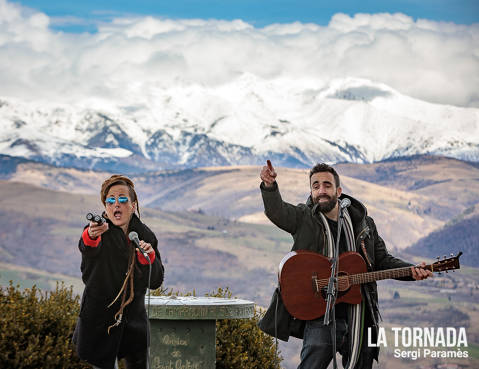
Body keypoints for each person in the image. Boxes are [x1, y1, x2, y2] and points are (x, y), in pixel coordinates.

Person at [258, 161, 432, 369]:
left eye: (327, 185)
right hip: (319, 313)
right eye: (315, 186)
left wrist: (411, 271)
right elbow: (277, 211)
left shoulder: (364, 224)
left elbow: (382, 260)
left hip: (359, 312)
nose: (321, 191)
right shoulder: (304, 218)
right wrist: (269, 187)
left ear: (338, 191)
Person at [73, 175, 165, 369]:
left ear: (133, 205)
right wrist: (90, 237)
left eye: (123, 199)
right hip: (99, 322)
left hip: (134, 323)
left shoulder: (145, 235)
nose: (117, 204)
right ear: (105, 206)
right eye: (111, 200)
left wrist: (146, 258)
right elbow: (88, 248)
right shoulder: (97, 231)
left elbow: (155, 281)